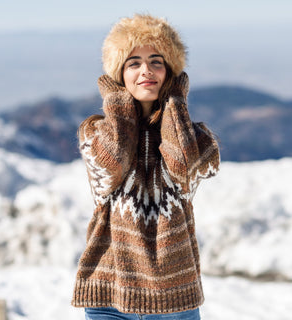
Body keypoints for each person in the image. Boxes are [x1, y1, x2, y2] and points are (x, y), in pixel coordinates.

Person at [71, 14, 220, 319]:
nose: (146, 71)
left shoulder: (198, 138)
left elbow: (183, 167)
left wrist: (175, 101)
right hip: (108, 296)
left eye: (157, 61)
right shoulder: (95, 132)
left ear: (171, 72)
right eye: (133, 63)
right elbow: (112, 163)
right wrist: (116, 100)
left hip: (175, 299)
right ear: (118, 73)